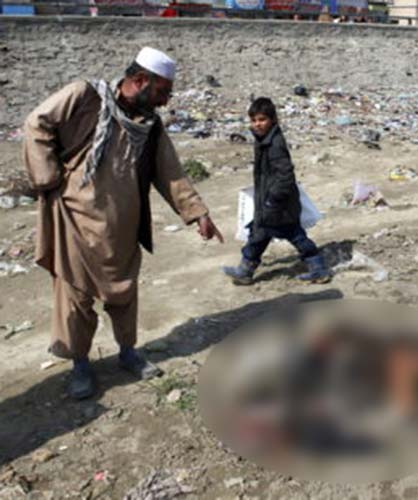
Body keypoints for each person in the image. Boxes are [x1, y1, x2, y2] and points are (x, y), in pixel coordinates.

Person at [23, 47, 224, 399]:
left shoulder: (150, 125)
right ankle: (80, 364)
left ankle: (128, 352)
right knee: (75, 296)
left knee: (124, 293)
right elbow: (36, 123)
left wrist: (198, 213)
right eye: (162, 91)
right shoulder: (84, 96)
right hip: (75, 222)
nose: (165, 101)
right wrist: (49, 178)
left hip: (123, 226)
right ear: (140, 80)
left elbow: (169, 171)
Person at [222, 97, 331, 286]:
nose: (257, 124)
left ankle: (317, 267)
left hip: (278, 204)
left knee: (291, 235)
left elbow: (286, 176)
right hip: (271, 201)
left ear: (272, 119)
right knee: (259, 234)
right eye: (254, 120)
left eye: (262, 119)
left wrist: (272, 201)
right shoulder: (264, 140)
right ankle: (245, 270)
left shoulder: (274, 144)